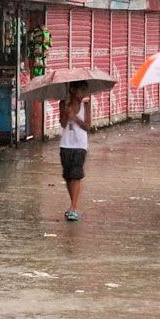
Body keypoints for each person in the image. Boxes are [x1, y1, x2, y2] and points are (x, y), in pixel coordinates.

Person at [58, 81, 91, 222]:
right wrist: (66, 113)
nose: (83, 94)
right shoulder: (63, 104)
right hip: (66, 144)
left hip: (80, 145)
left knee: (76, 175)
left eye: (85, 90)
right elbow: (63, 124)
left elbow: (87, 126)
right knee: (68, 176)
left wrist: (75, 117)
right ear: (72, 90)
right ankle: (73, 206)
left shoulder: (86, 105)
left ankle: (73, 207)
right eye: (81, 90)